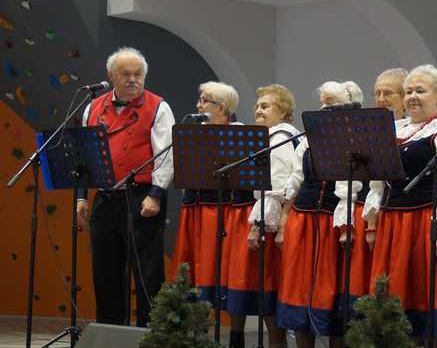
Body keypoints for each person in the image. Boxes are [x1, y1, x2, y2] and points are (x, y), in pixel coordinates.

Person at [364, 65, 437, 347]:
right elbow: (378, 182)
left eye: (420, 91)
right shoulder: (393, 129)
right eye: (409, 91)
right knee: (389, 299)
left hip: (423, 223)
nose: (412, 96)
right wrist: (373, 223)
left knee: (424, 299)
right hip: (392, 224)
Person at [76, 47, 175, 326]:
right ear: (111, 76)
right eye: (126, 74)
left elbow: (167, 155)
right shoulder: (92, 107)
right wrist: (81, 198)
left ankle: (149, 334)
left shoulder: (159, 107)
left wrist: (155, 195)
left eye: (138, 74)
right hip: (106, 198)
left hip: (142, 196)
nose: (133, 80)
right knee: (105, 272)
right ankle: (111, 334)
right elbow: (86, 156)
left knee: (147, 274)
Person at [277, 81, 362, 348]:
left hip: (331, 223)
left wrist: (346, 227)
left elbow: (351, 188)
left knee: (333, 293)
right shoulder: (306, 141)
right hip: (302, 220)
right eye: (323, 104)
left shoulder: (354, 140)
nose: (325, 110)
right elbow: (295, 180)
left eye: (332, 105)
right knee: (299, 290)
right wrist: (282, 222)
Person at [171, 81, 255, 346]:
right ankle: (196, 334)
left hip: (232, 211)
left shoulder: (241, 134)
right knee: (198, 270)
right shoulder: (194, 133)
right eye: (200, 100)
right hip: (198, 210)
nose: (198, 105)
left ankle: (236, 337)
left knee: (231, 272)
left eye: (204, 100)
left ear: (223, 107)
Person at [224, 84, 299, 348]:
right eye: (257, 105)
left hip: (271, 221)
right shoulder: (269, 136)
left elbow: (275, 187)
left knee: (268, 288)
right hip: (265, 216)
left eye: (265, 106)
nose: (258, 110)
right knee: (263, 288)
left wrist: (259, 226)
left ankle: (276, 344)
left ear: (284, 111)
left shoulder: (280, 138)